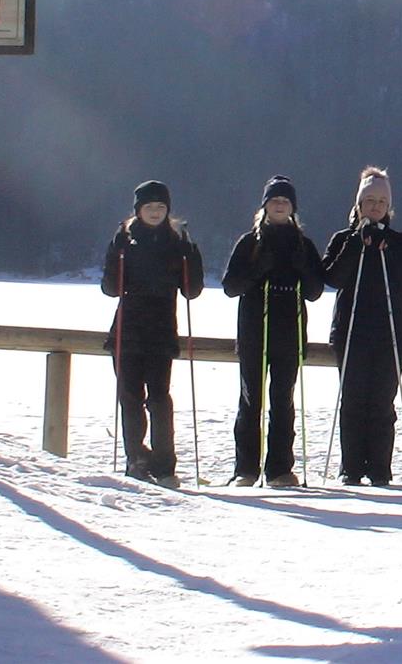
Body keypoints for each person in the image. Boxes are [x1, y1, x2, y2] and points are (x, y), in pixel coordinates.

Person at [322, 167, 402, 486]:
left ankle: (380, 467)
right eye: (369, 200)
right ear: (358, 204)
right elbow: (332, 277)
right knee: (352, 400)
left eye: (382, 201)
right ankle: (351, 467)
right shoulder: (343, 239)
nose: (376, 206)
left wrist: (388, 249)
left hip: (390, 333)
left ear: (389, 206)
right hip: (351, 331)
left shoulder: (398, 241)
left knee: (382, 401)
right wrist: (357, 243)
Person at [222, 176, 325, 488]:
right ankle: (246, 469)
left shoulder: (303, 244)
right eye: (274, 200)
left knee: (283, 401)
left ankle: (280, 469)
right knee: (250, 400)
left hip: (289, 333)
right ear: (265, 205)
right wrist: (256, 270)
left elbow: (315, 291)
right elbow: (230, 286)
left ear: (293, 207)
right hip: (254, 331)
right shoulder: (249, 243)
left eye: (285, 201)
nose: (279, 205)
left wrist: (303, 268)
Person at [101, 180, 203, 488]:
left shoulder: (177, 241)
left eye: (160, 207)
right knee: (130, 396)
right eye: (149, 207)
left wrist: (191, 255)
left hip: (161, 328)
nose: (155, 212)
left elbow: (192, 290)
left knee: (159, 398)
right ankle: (136, 458)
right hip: (128, 328)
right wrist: (116, 253)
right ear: (138, 210)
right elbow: (110, 288)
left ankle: (164, 465)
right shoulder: (124, 240)